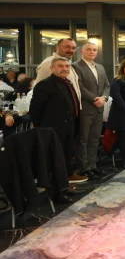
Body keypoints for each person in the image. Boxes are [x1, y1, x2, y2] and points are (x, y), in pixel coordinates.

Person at [29, 56, 87, 184]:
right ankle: (55, 184)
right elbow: (35, 109)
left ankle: (67, 177)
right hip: (52, 127)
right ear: (52, 68)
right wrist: (42, 128)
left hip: (69, 124)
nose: (64, 69)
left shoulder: (68, 83)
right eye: (60, 66)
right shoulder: (44, 85)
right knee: (54, 156)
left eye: (67, 66)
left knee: (67, 153)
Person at [73, 41, 110, 180]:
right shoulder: (75, 66)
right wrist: (94, 98)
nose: (92, 52)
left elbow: (107, 85)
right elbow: (79, 87)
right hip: (86, 108)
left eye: (94, 50)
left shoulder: (100, 67)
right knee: (83, 139)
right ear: (81, 51)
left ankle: (92, 166)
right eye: (89, 49)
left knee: (94, 139)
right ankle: (84, 168)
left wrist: (104, 98)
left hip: (99, 109)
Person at [35, 38, 81, 104]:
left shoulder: (68, 63)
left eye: (73, 48)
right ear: (57, 47)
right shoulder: (48, 63)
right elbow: (39, 90)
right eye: (67, 47)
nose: (71, 50)